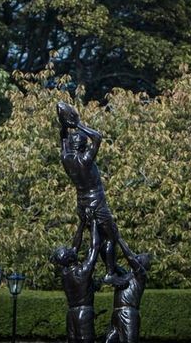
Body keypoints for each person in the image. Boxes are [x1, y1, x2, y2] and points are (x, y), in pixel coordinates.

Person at [57, 101, 134, 275]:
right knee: (111, 237)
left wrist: (64, 125)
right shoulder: (84, 160)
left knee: (97, 235)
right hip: (96, 202)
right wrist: (77, 124)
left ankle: (111, 268)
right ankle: (110, 274)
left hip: (82, 202)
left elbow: (63, 137)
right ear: (83, 146)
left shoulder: (66, 158)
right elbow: (98, 137)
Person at [52, 219, 103, 343]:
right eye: (69, 251)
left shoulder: (65, 273)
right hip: (84, 312)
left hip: (71, 314)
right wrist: (94, 223)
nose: (72, 249)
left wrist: (82, 223)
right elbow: (94, 247)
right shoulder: (82, 271)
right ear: (69, 258)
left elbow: (75, 246)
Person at [101, 252, 151, 343]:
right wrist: (105, 246)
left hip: (129, 314)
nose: (135, 258)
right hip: (116, 314)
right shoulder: (124, 275)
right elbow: (110, 263)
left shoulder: (141, 275)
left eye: (138, 258)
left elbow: (129, 256)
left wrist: (118, 238)